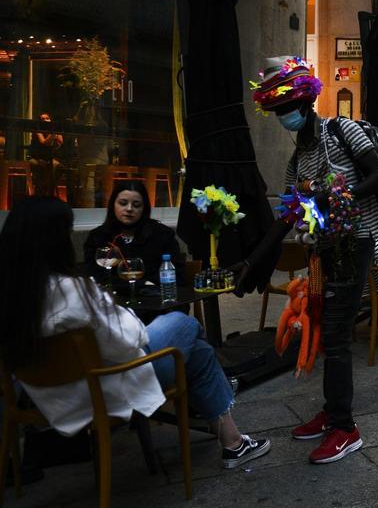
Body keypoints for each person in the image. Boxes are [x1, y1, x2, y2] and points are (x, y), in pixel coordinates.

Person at [0, 197, 270, 469]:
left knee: (197, 352)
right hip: (102, 390)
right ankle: (230, 436)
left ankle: (232, 441)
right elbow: (131, 338)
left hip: (51, 396)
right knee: (183, 325)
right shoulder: (71, 291)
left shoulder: (12, 294)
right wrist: (115, 310)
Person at [240, 56, 378, 464]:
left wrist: (334, 197)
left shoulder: (344, 131)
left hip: (355, 242)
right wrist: (254, 262)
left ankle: (346, 428)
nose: (283, 117)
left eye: (287, 109)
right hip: (322, 251)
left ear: (306, 102)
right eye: (277, 112)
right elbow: (288, 215)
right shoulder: (296, 162)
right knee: (324, 331)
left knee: (338, 335)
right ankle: (331, 411)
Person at [84, 180, 182, 285]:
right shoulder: (98, 236)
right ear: (113, 204)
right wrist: (140, 283)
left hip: (152, 297)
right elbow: (94, 277)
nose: (129, 209)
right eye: (123, 203)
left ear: (144, 208)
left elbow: (178, 275)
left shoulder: (162, 234)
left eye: (136, 205)